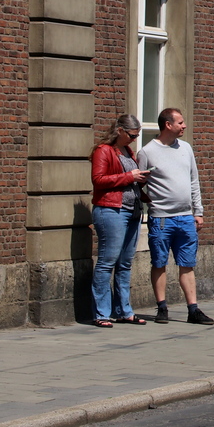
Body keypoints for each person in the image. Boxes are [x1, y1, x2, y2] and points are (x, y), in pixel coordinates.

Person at [138, 107, 213, 325]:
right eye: (180, 122)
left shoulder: (186, 148)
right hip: (161, 217)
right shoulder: (147, 152)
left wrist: (198, 212)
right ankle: (162, 307)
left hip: (185, 217)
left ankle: (193, 309)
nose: (184, 126)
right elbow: (140, 183)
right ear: (167, 125)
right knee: (159, 262)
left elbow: (193, 181)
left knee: (187, 263)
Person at [89, 115, 150, 329]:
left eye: (137, 135)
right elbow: (98, 180)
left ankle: (124, 311)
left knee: (125, 263)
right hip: (111, 211)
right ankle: (101, 313)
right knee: (107, 262)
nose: (135, 139)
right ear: (120, 131)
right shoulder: (103, 150)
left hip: (132, 211)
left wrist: (143, 187)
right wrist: (130, 177)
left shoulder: (128, 152)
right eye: (132, 135)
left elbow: (129, 182)